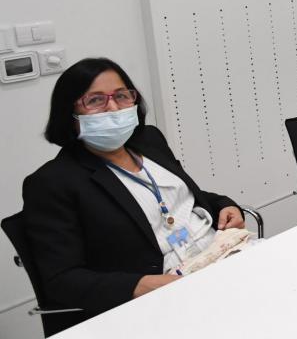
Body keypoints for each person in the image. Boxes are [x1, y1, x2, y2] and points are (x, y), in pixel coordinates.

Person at [22, 58, 245, 335]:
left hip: (220, 256)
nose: (113, 107)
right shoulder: (52, 182)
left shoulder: (149, 140)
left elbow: (181, 196)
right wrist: (140, 285)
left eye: (121, 96)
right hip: (165, 291)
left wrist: (224, 204)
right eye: (95, 100)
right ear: (69, 112)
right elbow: (62, 279)